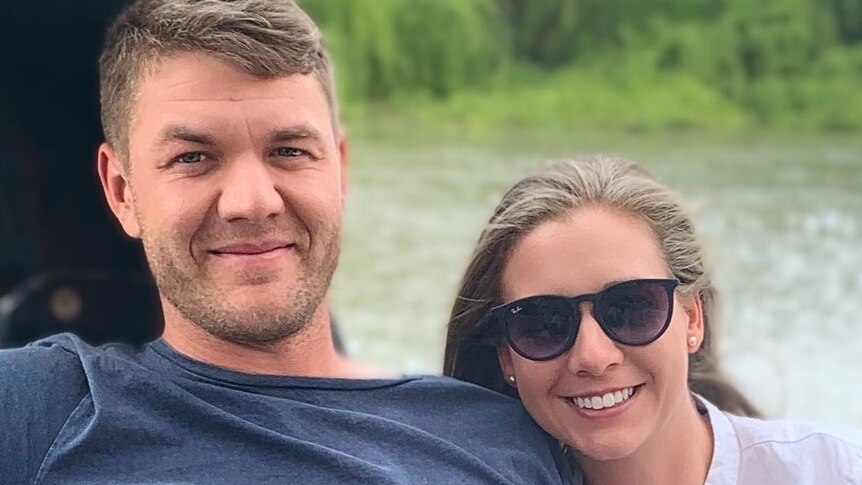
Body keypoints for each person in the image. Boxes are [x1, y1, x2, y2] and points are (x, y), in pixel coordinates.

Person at [0, 1, 570, 483]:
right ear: (122, 191)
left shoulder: (503, 439)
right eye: (193, 158)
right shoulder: (43, 409)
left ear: (340, 171)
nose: (252, 201)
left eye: (289, 151)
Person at [444, 156, 862, 484]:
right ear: (505, 357)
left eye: (629, 308)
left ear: (692, 318)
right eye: (543, 322)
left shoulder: (835, 470)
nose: (592, 355)